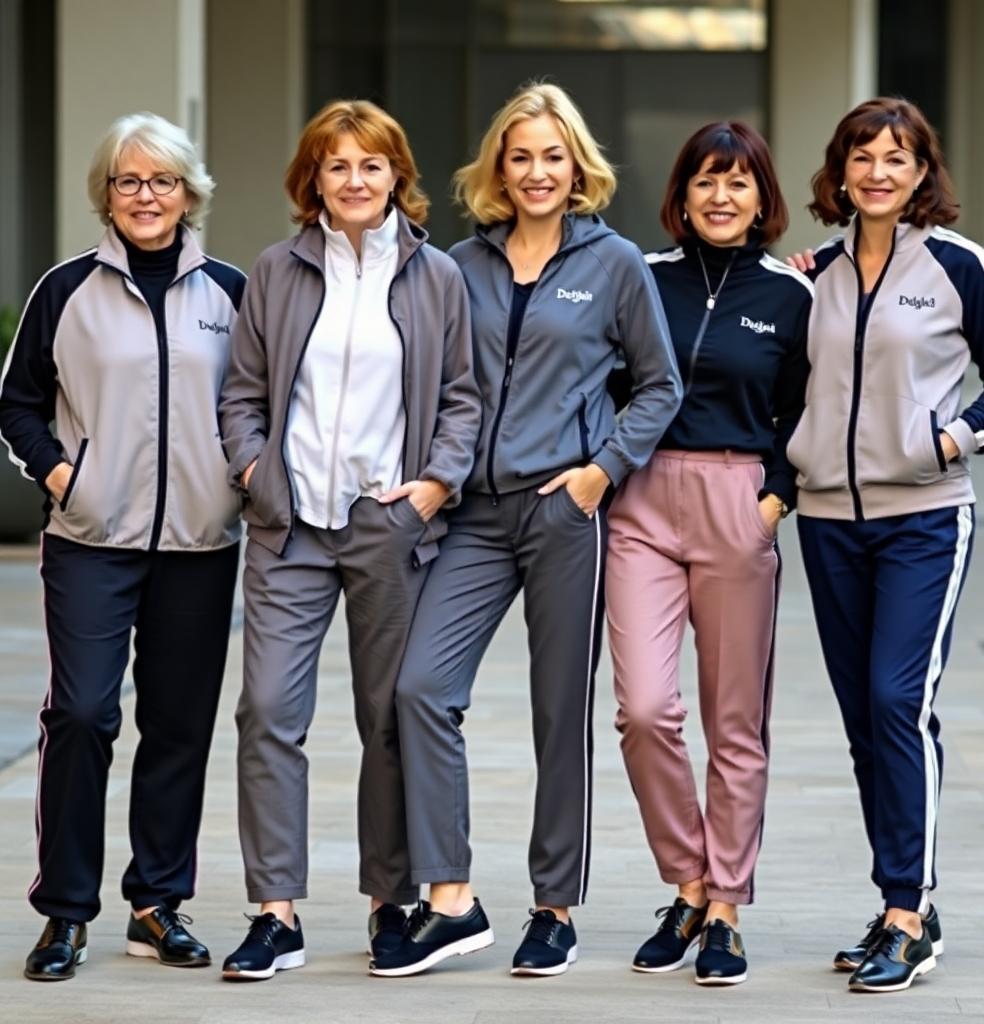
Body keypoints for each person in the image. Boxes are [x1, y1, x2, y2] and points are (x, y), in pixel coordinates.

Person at [371, 82, 682, 980]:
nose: (537, 171)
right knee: (421, 689)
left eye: (553, 155)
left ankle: (554, 909)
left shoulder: (616, 262)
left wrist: (600, 472)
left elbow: (658, 385)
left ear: (576, 164)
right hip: (471, 513)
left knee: (559, 714)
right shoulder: (458, 265)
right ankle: (452, 899)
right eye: (521, 156)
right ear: (497, 170)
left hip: (562, 513)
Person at [216, 99, 480, 981]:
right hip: (290, 526)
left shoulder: (436, 275)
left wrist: (434, 488)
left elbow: (460, 397)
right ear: (313, 180)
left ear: (396, 175)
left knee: (388, 721)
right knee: (267, 713)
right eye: (338, 166)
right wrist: (255, 473)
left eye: (372, 165)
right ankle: (275, 911)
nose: (356, 181)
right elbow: (243, 394)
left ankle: (389, 902)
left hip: (386, 523)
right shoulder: (276, 271)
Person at [785, 97, 984, 993]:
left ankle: (908, 915)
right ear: (840, 171)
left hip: (925, 517)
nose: (878, 172)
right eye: (862, 157)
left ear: (924, 173)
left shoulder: (959, 266)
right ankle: (897, 895)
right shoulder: (815, 274)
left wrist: (952, 441)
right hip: (830, 522)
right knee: (864, 722)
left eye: (898, 158)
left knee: (897, 702)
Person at [0, 113, 245, 981]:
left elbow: (251, 408)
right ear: (106, 194)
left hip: (200, 543)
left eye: (163, 181)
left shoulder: (230, 292)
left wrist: (238, 477)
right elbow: (17, 403)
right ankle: (65, 913)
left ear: (189, 192)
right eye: (128, 181)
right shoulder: (64, 289)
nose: (146, 196)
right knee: (81, 715)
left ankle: (156, 904)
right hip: (90, 539)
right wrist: (62, 474)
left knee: (177, 725)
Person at [605, 122, 811, 986]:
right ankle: (687, 881)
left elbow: (806, 412)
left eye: (739, 183)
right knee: (645, 710)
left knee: (736, 723)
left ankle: (725, 905)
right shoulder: (640, 280)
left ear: (763, 198)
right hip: (643, 503)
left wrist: (773, 502)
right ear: (681, 195)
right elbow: (604, 382)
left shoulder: (794, 296)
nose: (721, 197)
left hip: (738, 502)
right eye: (705, 182)